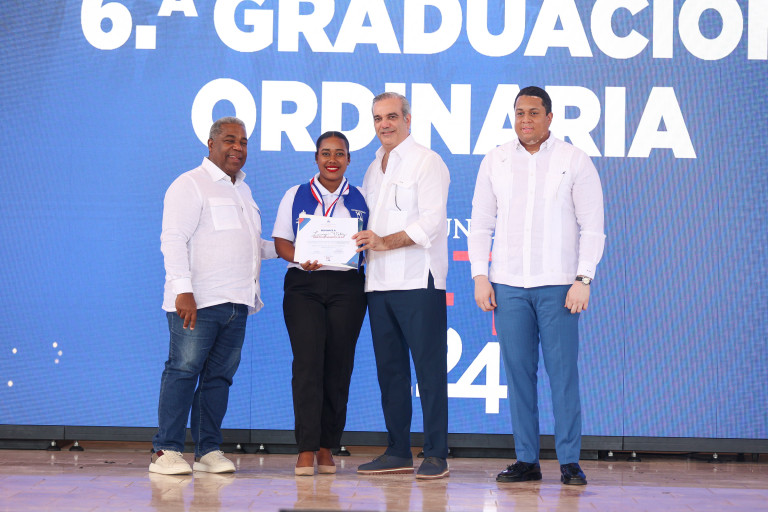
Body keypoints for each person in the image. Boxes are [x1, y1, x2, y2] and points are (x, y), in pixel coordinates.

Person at [468, 86, 605, 485]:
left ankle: (569, 461)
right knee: (518, 376)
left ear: (549, 117)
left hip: (559, 286)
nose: (525, 119)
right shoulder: (495, 160)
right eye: (519, 113)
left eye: (533, 112)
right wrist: (480, 275)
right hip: (508, 285)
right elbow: (481, 224)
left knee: (563, 376)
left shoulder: (574, 160)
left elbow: (592, 226)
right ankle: (526, 460)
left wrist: (583, 279)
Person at [150, 116, 277, 475]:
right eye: (230, 140)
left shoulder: (243, 190)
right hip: (198, 302)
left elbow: (249, 244)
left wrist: (288, 250)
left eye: (244, 142)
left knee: (218, 378)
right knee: (183, 371)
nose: (238, 148)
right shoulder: (190, 184)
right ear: (211, 144)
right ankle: (166, 450)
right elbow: (173, 239)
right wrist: (183, 291)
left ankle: (207, 450)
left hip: (238, 301)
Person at [353, 92, 451, 480]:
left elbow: (432, 224)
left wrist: (383, 242)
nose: (385, 124)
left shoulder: (427, 161)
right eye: (378, 118)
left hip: (417, 280)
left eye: (392, 116)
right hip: (378, 283)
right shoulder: (372, 167)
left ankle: (436, 453)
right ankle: (397, 451)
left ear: (407, 119)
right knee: (390, 372)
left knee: (429, 371)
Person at [272, 131, 368, 476]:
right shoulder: (295, 194)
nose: (332, 160)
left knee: (339, 366)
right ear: (316, 158)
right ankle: (306, 448)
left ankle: (327, 445)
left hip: (347, 287)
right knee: (308, 364)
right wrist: (301, 257)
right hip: (304, 285)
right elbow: (281, 242)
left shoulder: (362, 197)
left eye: (339, 153)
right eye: (326, 153)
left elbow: (370, 242)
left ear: (348, 160)